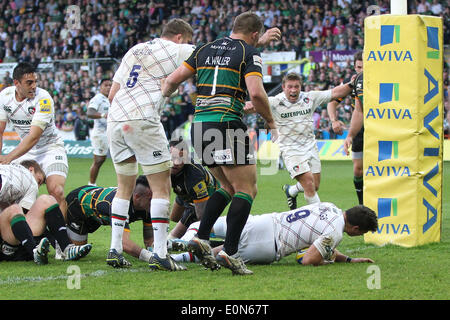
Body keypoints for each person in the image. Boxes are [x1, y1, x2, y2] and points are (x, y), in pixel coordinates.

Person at [162, 12, 281, 275]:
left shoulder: (203, 49)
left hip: (200, 126)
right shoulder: (250, 53)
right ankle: (230, 251)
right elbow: (257, 93)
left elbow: (171, 80)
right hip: (227, 123)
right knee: (247, 189)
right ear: (253, 34)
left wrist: (161, 100)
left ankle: (200, 237)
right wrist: (271, 122)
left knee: (226, 186)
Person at [106, 18, 196, 271]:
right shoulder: (179, 49)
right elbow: (208, 54)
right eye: (187, 40)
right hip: (142, 119)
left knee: (123, 188)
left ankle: (114, 249)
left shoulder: (134, 50)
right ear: (180, 37)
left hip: (115, 120)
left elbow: (112, 94)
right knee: (161, 187)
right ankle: (160, 253)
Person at [245, 72, 353, 210]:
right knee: (308, 183)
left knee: (315, 185)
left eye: (296, 86)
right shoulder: (274, 101)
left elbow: (336, 92)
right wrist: (246, 107)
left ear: (301, 87)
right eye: (290, 87)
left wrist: (352, 83)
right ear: (283, 87)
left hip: (310, 146)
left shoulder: (310, 98)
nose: (293, 90)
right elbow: (252, 105)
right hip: (290, 149)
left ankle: (292, 191)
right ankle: (319, 220)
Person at [172, 202, 377, 268]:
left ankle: (170, 249)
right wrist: (327, 261)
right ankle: (178, 256)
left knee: (201, 226)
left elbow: (321, 242)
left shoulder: (330, 207)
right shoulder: (335, 232)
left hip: (264, 222)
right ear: (357, 229)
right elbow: (308, 259)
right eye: (363, 232)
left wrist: (348, 259)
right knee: (220, 255)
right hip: (269, 246)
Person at [0, 62, 68, 215]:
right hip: (25, 150)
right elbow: (0, 130)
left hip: (50, 148)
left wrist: (8, 158)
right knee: (6, 188)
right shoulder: (4, 97)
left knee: (56, 191)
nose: (34, 86)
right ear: (16, 83)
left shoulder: (43, 98)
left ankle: (64, 237)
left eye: (35, 81)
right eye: (29, 82)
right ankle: (14, 235)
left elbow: (34, 136)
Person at [0, 160, 92, 263]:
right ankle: (37, 250)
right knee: (17, 208)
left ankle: (65, 249)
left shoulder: (9, 172)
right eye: (39, 181)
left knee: (46, 200)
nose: (38, 186)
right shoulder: (29, 179)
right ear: (31, 170)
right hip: (9, 242)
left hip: (11, 241)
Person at [64, 176, 155, 265]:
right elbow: (123, 243)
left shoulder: (147, 205)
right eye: (150, 199)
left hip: (98, 213)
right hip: (77, 203)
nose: (154, 201)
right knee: (75, 250)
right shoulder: (121, 205)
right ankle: (57, 238)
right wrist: (150, 257)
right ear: (137, 197)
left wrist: (156, 250)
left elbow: (149, 240)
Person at [327, 51, 364, 204]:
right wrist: (334, 120)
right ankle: (362, 203)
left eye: (363, 67)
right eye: (358, 67)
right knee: (358, 169)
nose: (361, 70)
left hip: (380, 126)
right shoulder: (353, 82)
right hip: (360, 129)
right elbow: (332, 102)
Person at [168, 137, 219, 241]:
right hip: (183, 192)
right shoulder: (162, 165)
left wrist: (205, 235)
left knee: (174, 235)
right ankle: (189, 226)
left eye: (181, 158)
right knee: (174, 217)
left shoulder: (195, 177)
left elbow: (202, 213)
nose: (176, 163)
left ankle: (202, 234)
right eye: (173, 157)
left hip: (206, 194)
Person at [87, 78, 112, 186]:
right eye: (106, 85)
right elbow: (89, 112)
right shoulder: (97, 99)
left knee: (121, 158)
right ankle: (91, 184)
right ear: (100, 87)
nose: (108, 87)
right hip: (100, 133)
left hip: (112, 132)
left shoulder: (112, 98)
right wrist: (102, 115)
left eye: (110, 85)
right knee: (99, 160)